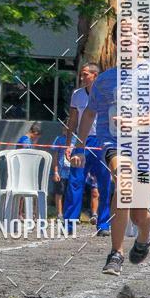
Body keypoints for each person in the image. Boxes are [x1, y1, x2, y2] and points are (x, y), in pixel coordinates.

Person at [72, 23, 150, 277]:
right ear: (118, 41)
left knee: (140, 214)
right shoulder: (105, 80)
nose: (130, 37)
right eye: (124, 33)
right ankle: (115, 254)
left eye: (136, 33)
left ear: (146, 42)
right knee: (123, 188)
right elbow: (89, 114)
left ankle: (144, 231)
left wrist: (137, 120)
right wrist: (79, 147)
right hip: (115, 145)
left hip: (149, 152)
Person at [64, 63, 112, 237]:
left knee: (105, 183)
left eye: (85, 74)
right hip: (82, 142)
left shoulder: (107, 93)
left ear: (95, 75)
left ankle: (104, 224)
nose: (82, 78)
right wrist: (69, 144)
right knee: (75, 182)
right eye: (81, 75)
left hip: (102, 142)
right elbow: (73, 120)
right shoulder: (77, 95)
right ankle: (69, 223)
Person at [51, 129, 70, 218]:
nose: (65, 130)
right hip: (61, 172)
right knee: (59, 192)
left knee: (71, 193)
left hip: (73, 172)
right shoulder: (59, 139)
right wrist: (55, 171)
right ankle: (59, 214)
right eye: (64, 127)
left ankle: (70, 214)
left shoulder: (77, 139)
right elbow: (55, 156)